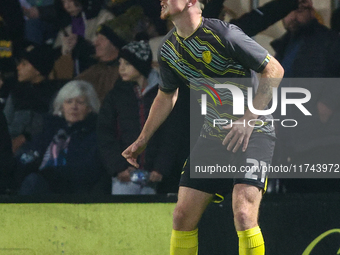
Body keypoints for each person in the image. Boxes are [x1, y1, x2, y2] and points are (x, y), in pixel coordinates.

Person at [122, 1, 284, 255]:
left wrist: (248, 120)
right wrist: (143, 138)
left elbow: (274, 69)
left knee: (243, 214)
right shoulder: (169, 49)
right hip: (213, 135)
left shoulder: (225, 34)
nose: (161, 0)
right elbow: (166, 96)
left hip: (253, 132)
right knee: (182, 216)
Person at [271, 0, 340, 192]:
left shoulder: (329, 41)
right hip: (293, 148)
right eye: (287, 11)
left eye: (297, 9)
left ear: (308, 7)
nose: (292, 16)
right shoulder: (284, 47)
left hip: (324, 147)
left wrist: (326, 106)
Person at [97, 40, 167, 194]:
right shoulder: (115, 96)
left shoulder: (165, 95)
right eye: (120, 63)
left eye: (127, 64)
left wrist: (160, 168)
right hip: (124, 178)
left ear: (140, 65)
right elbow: (105, 134)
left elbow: (171, 134)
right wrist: (119, 167)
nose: (121, 68)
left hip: (156, 178)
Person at [17, 80, 103, 195]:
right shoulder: (47, 129)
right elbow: (28, 155)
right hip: (40, 184)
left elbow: (88, 170)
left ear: (90, 108)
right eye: (69, 102)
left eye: (80, 102)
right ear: (61, 107)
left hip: (73, 191)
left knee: (33, 182)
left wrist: (48, 174)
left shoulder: (96, 134)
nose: (74, 107)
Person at [4, 44, 65, 153]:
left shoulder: (54, 94)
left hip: (35, 147)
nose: (18, 67)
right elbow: (4, 121)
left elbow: (50, 126)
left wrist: (24, 137)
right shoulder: (16, 91)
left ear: (38, 70)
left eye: (24, 64)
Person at [75, 7, 144, 103]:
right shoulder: (91, 72)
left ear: (115, 45)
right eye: (96, 38)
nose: (95, 43)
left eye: (102, 39)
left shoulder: (126, 74)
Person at [53, 0, 114, 75]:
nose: (66, 6)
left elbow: (107, 49)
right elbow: (59, 57)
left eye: (70, 1)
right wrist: (66, 49)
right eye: (63, 2)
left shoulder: (104, 17)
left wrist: (80, 43)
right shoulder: (66, 24)